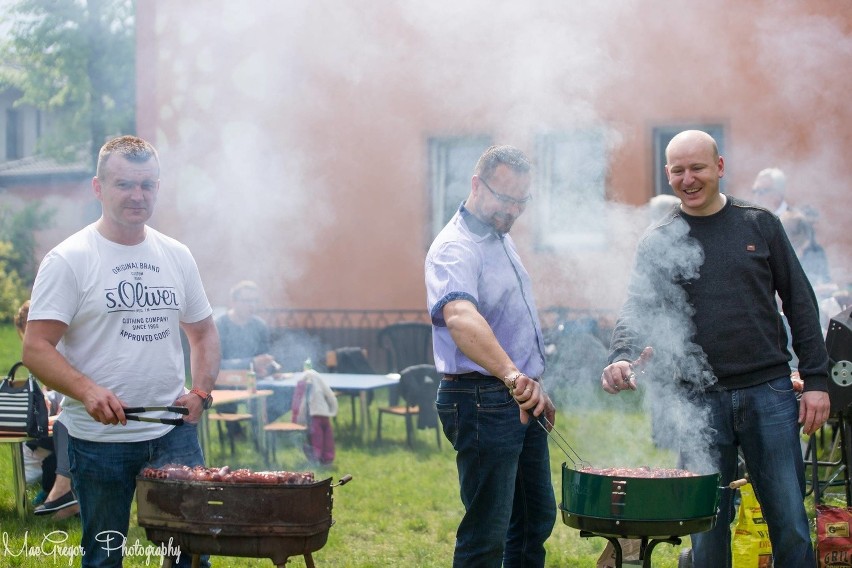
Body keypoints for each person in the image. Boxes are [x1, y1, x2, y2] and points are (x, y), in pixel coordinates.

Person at [601, 130, 830, 567]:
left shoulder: (758, 223)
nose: (689, 179)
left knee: (790, 523)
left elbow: (800, 301)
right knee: (706, 529)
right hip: (697, 401)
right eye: (678, 170)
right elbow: (636, 306)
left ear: (719, 167)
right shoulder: (658, 240)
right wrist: (620, 356)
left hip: (770, 391)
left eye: (698, 168)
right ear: (668, 173)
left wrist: (817, 379)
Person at [22, 135, 221, 568]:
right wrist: (88, 391)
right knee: (105, 556)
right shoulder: (70, 259)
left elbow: (203, 333)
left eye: (147, 185)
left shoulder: (176, 255)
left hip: (174, 430)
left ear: (158, 188)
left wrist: (201, 392)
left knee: (191, 554)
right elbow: (36, 347)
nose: (138, 195)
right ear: (98, 187)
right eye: (124, 184)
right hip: (100, 441)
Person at [425, 144, 556, 567]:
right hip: (483, 399)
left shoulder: (498, 237)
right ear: (477, 185)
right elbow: (461, 317)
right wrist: (516, 377)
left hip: (516, 395)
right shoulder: (455, 247)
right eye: (505, 199)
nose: (513, 211)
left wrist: (531, 383)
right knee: (487, 534)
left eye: (522, 201)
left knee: (534, 519)